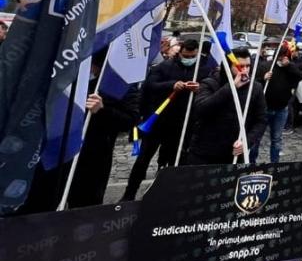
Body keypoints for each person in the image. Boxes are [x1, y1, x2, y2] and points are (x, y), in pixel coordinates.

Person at [19, 50, 139, 213]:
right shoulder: (63, 76)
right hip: (54, 153)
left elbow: (130, 120)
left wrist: (102, 110)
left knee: (83, 210)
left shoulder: (121, 84)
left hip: (91, 159)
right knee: (41, 205)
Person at [121, 38, 203, 201]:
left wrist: (199, 88)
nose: (189, 59)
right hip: (158, 123)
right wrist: (171, 85)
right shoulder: (164, 67)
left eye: (192, 56)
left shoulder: (202, 68)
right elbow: (150, 86)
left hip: (181, 125)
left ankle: (167, 196)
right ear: (180, 53)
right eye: (186, 56)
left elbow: (208, 88)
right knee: (143, 159)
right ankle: (129, 194)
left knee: (174, 163)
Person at [184, 47, 267, 165]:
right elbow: (201, 109)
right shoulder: (210, 83)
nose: (244, 70)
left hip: (234, 153)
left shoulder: (255, 88)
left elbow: (261, 120)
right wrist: (231, 87)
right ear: (228, 66)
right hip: (205, 152)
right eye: (239, 66)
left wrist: (247, 141)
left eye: (247, 66)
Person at [252, 39, 302, 163]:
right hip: (264, 109)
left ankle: (274, 164)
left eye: (284, 58)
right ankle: (251, 163)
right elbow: (253, 84)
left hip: (281, 109)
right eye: (280, 58)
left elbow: (300, 76)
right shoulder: (266, 66)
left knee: (276, 139)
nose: (282, 60)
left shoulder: (289, 68)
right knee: (256, 139)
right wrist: (262, 78)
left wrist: (289, 66)